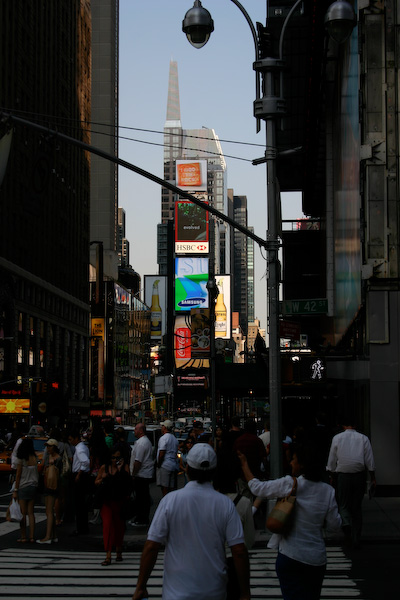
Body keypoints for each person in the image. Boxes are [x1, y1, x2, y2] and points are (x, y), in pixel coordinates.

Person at [132, 443, 250, 600]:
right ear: (214, 471)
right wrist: (244, 593)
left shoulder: (170, 501)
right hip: (214, 591)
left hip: (176, 593)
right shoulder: (225, 504)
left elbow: (152, 546)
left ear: (186, 469)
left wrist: (141, 586)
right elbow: (239, 551)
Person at [238, 442, 342, 600]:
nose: (291, 462)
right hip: (316, 558)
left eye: (294, 459)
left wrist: (245, 464)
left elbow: (257, 488)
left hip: (291, 555)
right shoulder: (328, 491)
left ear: (302, 464)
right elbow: (335, 525)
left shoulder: (290, 484)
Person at [327, 417, 376, 548]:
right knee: (356, 506)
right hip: (358, 474)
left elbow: (332, 458)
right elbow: (369, 459)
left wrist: (331, 473)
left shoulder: (337, 438)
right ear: (355, 425)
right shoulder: (363, 438)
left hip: (343, 474)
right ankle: (356, 537)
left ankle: (346, 523)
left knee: (343, 504)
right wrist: (372, 476)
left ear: (343, 426)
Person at [95, 443, 132, 565]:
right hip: (106, 501)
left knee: (119, 526)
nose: (115, 460)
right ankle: (108, 554)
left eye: (117, 457)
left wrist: (121, 470)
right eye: (113, 457)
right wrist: (103, 478)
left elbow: (128, 483)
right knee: (108, 525)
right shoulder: (104, 468)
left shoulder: (124, 467)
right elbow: (96, 482)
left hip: (119, 500)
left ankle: (118, 549)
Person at [12, 437, 39, 543]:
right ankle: (32, 536)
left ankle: (23, 536)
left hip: (23, 486)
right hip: (33, 486)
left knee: (23, 513)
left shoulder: (21, 459)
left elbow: (18, 476)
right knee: (31, 513)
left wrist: (15, 490)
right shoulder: (34, 458)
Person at [37, 438, 62, 544]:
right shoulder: (48, 456)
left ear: (55, 447)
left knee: (49, 511)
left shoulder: (57, 459)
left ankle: (48, 537)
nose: (48, 448)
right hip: (48, 484)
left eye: (50, 446)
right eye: (47, 446)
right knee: (49, 510)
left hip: (52, 485)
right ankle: (53, 535)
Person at [129, 422, 154, 527]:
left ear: (141, 431)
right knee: (143, 497)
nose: (134, 431)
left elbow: (138, 461)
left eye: (135, 429)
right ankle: (142, 517)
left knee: (141, 498)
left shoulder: (141, 443)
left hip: (141, 475)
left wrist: (133, 474)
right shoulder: (144, 442)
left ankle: (141, 518)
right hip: (144, 474)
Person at [68, 429, 91, 535]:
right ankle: (83, 527)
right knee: (82, 504)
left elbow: (86, 461)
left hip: (79, 476)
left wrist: (79, 474)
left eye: (71, 439)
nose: (70, 441)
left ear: (76, 438)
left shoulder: (79, 449)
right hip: (82, 476)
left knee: (79, 503)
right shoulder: (82, 447)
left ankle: (80, 528)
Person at [156, 419, 178, 496]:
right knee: (171, 488)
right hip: (173, 465)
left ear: (165, 427)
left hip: (165, 465)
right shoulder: (174, 439)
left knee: (164, 487)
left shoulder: (163, 438)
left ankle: (166, 503)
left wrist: (158, 464)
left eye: (162, 426)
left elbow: (162, 453)